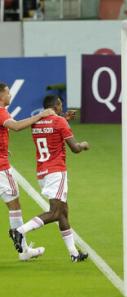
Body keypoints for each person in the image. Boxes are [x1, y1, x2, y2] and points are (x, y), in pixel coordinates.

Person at [9, 94, 90, 262]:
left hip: (42, 172)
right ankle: (20, 230)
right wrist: (83, 145)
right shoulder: (60, 122)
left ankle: (74, 253)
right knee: (55, 212)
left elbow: (50, 126)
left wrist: (63, 119)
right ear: (57, 105)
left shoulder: (36, 122)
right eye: (60, 105)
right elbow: (74, 148)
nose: (62, 108)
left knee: (63, 212)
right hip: (56, 171)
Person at [0, 81, 54, 261]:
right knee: (14, 206)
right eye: (8, 93)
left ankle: (23, 250)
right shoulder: (1, 112)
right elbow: (15, 127)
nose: (10, 96)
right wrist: (40, 116)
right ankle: (23, 250)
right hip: (1, 169)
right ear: (1, 95)